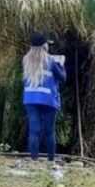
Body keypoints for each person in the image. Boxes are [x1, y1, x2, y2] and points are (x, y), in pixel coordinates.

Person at [22, 31, 66, 165]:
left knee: (34, 131)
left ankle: (34, 160)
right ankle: (51, 160)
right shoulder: (50, 60)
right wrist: (61, 65)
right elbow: (62, 78)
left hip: (30, 99)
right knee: (49, 131)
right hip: (48, 99)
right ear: (44, 46)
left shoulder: (25, 60)